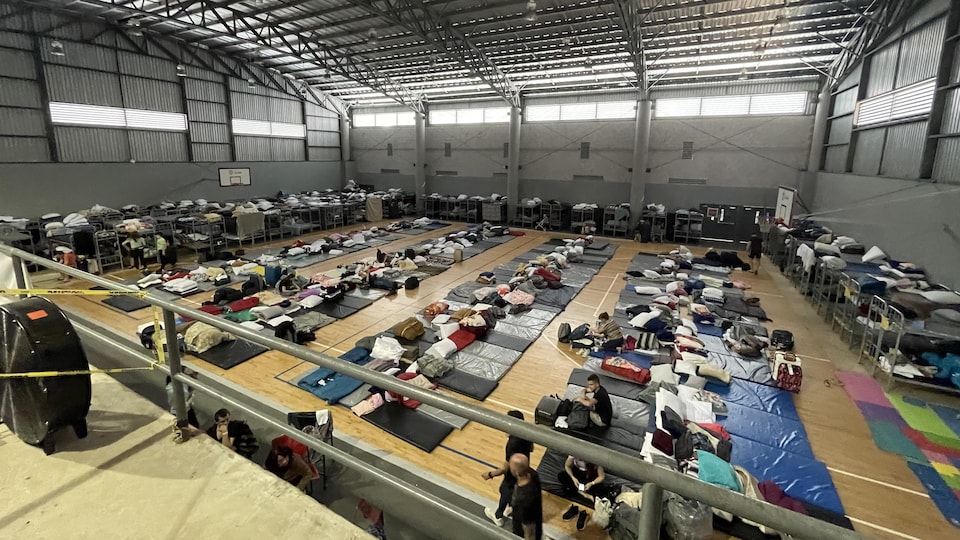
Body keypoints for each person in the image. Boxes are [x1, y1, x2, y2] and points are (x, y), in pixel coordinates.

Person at [482, 410, 535, 527]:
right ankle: (511, 507)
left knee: (504, 491)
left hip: (512, 475)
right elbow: (531, 449)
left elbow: (504, 469)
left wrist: (490, 474)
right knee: (515, 492)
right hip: (523, 470)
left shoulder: (512, 444)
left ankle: (498, 516)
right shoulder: (526, 433)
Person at [558, 456, 607, 531]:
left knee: (602, 493)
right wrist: (573, 478)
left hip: (590, 477)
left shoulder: (596, 461)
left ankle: (584, 495)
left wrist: (592, 483)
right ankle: (581, 493)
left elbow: (601, 476)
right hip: (578, 475)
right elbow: (567, 466)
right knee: (561, 476)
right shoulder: (574, 455)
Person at [508, 454, 542, 540]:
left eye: (511, 467)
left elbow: (529, 530)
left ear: (517, 473)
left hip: (523, 531)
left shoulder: (524, 499)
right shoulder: (532, 474)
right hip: (533, 517)